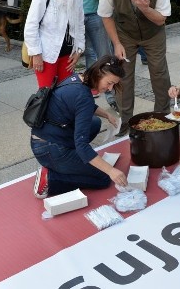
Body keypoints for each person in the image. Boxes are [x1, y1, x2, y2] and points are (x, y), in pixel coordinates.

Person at [31, 55, 127, 199]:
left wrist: (107, 115)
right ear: (99, 73)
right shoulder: (84, 97)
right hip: (50, 150)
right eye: (109, 83)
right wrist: (111, 171)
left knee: (94, 123)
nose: (109, 88)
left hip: (44, 138)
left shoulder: (77, 78)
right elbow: (82, 146)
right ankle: (51, 178)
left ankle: (69, 162)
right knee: (103, 178)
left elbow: (80, 105)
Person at [98, 0, 172, 136]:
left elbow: (162, 19)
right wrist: (116, 43)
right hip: (125, 33)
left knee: (159, 73)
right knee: (122, 76)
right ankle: (124, 121)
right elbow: (105, 15)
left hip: (153, 32)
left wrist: (145, 9)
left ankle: (162, 117)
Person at [24, 0, 86, 88]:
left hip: (68, 54)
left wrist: (79, 50)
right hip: (47, 54)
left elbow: (80, 24)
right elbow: (31, 25)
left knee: (66, 94)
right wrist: (36, 54)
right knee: (46, 95)